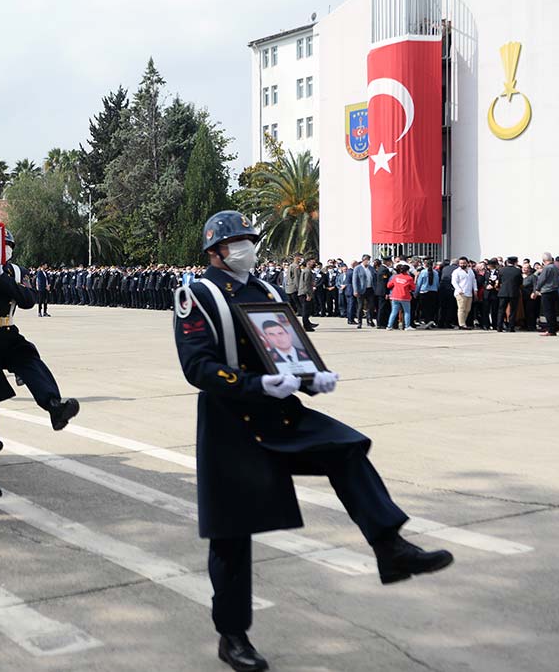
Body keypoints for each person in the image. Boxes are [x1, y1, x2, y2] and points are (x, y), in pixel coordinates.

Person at [172, 211, 453, 672]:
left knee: (346, 448)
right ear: (215, 251)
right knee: (231, 534)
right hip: (232, 420)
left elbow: (287, 347)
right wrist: (253, 384)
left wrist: (310, 378)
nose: (248, 247)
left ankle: (390, 547)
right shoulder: (198, 294)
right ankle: (233, 636)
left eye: (250, 239)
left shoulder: (266, 290)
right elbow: (197, 367)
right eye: (238, 241)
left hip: (280, 411)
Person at [0, 229, 80, 497]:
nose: (5, 250)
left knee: (28, 356)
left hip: (6, 332)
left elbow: (27, 300)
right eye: (0, 246)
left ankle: (53, 406)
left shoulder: (15, 271)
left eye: (8, 246)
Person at [534, 253, 559, 336]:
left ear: (544, 261)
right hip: (555, 291)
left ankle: (550, 330)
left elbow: (542, 280)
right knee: (553, 311)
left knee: (548, 311)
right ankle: (553, 329)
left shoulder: (547, 268)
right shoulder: (556, 267)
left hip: (547, 291)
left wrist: (536, 289)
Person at [497, 256, 523, 333]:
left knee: (501, 310)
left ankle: (499, 327)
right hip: (513, 292)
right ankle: (511, 327)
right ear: (515, 262)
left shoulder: (501, 270)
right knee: (513, 310)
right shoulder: (518, 271)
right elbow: (520, 282)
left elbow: (500, 281)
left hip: (503, 292)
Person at [386, 264, 415, 330]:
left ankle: (389, 326)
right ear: (407, 270)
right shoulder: (409, 278)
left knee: (394, 311)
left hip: (395, 296)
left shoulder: (396, 277)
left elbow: (389, 285)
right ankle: (407, 326)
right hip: (405, 297)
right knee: (407, 311)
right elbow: (413, 288)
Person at [452, 257, 476, 330]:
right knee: (461, 308)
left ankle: (463, 322)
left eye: (464, 263)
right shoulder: (456, 271)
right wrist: (459, 289)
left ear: (467, 263)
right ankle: (462, 324)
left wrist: (475, 289)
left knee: (467, 309)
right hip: (460, 293)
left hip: (469, 293)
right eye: (461, 263)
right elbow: (454, 282)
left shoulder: (470, 271)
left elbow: (473, 281)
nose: (462, 264)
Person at [352, 254, 376, 328]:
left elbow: (374, 278)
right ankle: (360, 322)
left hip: (370, 289)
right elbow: (355, 280)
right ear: (363, 260)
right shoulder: (358, 268)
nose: (368, 262)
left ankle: (370, 320)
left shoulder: (371, 268)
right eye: (367, 260)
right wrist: (355, 290)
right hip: (361, 290)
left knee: (371, 306)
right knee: (360, 306)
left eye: (369, 260)